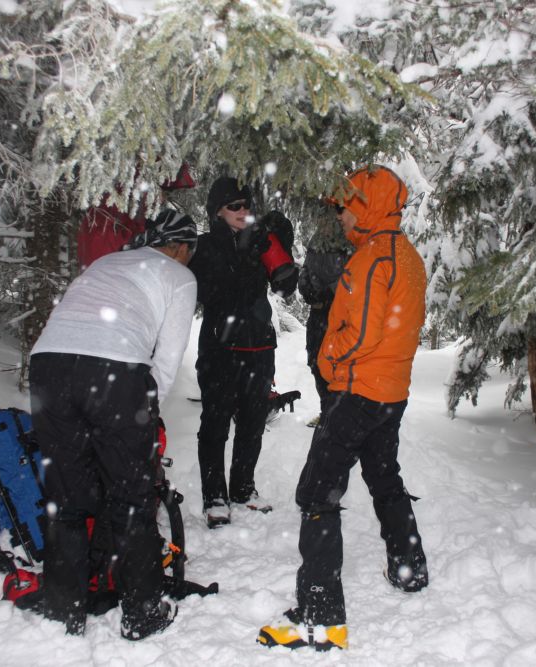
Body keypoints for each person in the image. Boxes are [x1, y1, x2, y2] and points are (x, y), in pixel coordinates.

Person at [259, 165, 429, 651]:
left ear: (365, 208)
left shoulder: (373, 258)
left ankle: (320, 619)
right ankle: (409, 568)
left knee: (317, 493)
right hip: (390, 392)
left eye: (346, 208)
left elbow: (361, 333)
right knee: (383, 475)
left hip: (358, 392)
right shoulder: (406, 256)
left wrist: (328, 359)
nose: (341, 217)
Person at [28, 209, 198, 640]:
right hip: (114, 368)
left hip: (49, 365)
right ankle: (142, 612)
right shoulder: (178, 275)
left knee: (66, 497)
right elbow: (167, 358)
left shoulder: (108, 261)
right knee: (131, 496)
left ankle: (63, 612)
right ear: (181, 247)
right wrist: (147, 408)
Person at [187, 176, 299, 528]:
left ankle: (243, 489)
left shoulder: (261, 241)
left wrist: (283, 244)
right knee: (215, 424)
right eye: (233, 205)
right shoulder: (205, 246)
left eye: (246, 204)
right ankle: (214, 497)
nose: (243, 210)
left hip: (260, 347)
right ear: (216, 211)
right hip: (220, 348)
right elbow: (204, 293)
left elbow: (286, 287)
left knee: (252, 423)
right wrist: (237, 255)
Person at [297, 216, 353, 426]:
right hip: (317, 313)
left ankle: (338, 415)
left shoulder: (349, 240)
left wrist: (329, 291)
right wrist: (306, 285)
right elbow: (307, 268)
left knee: (336, 365)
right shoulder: (316, 239)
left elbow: (350, 279)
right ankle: (328, 411)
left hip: (338, 315)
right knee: (315, 362)